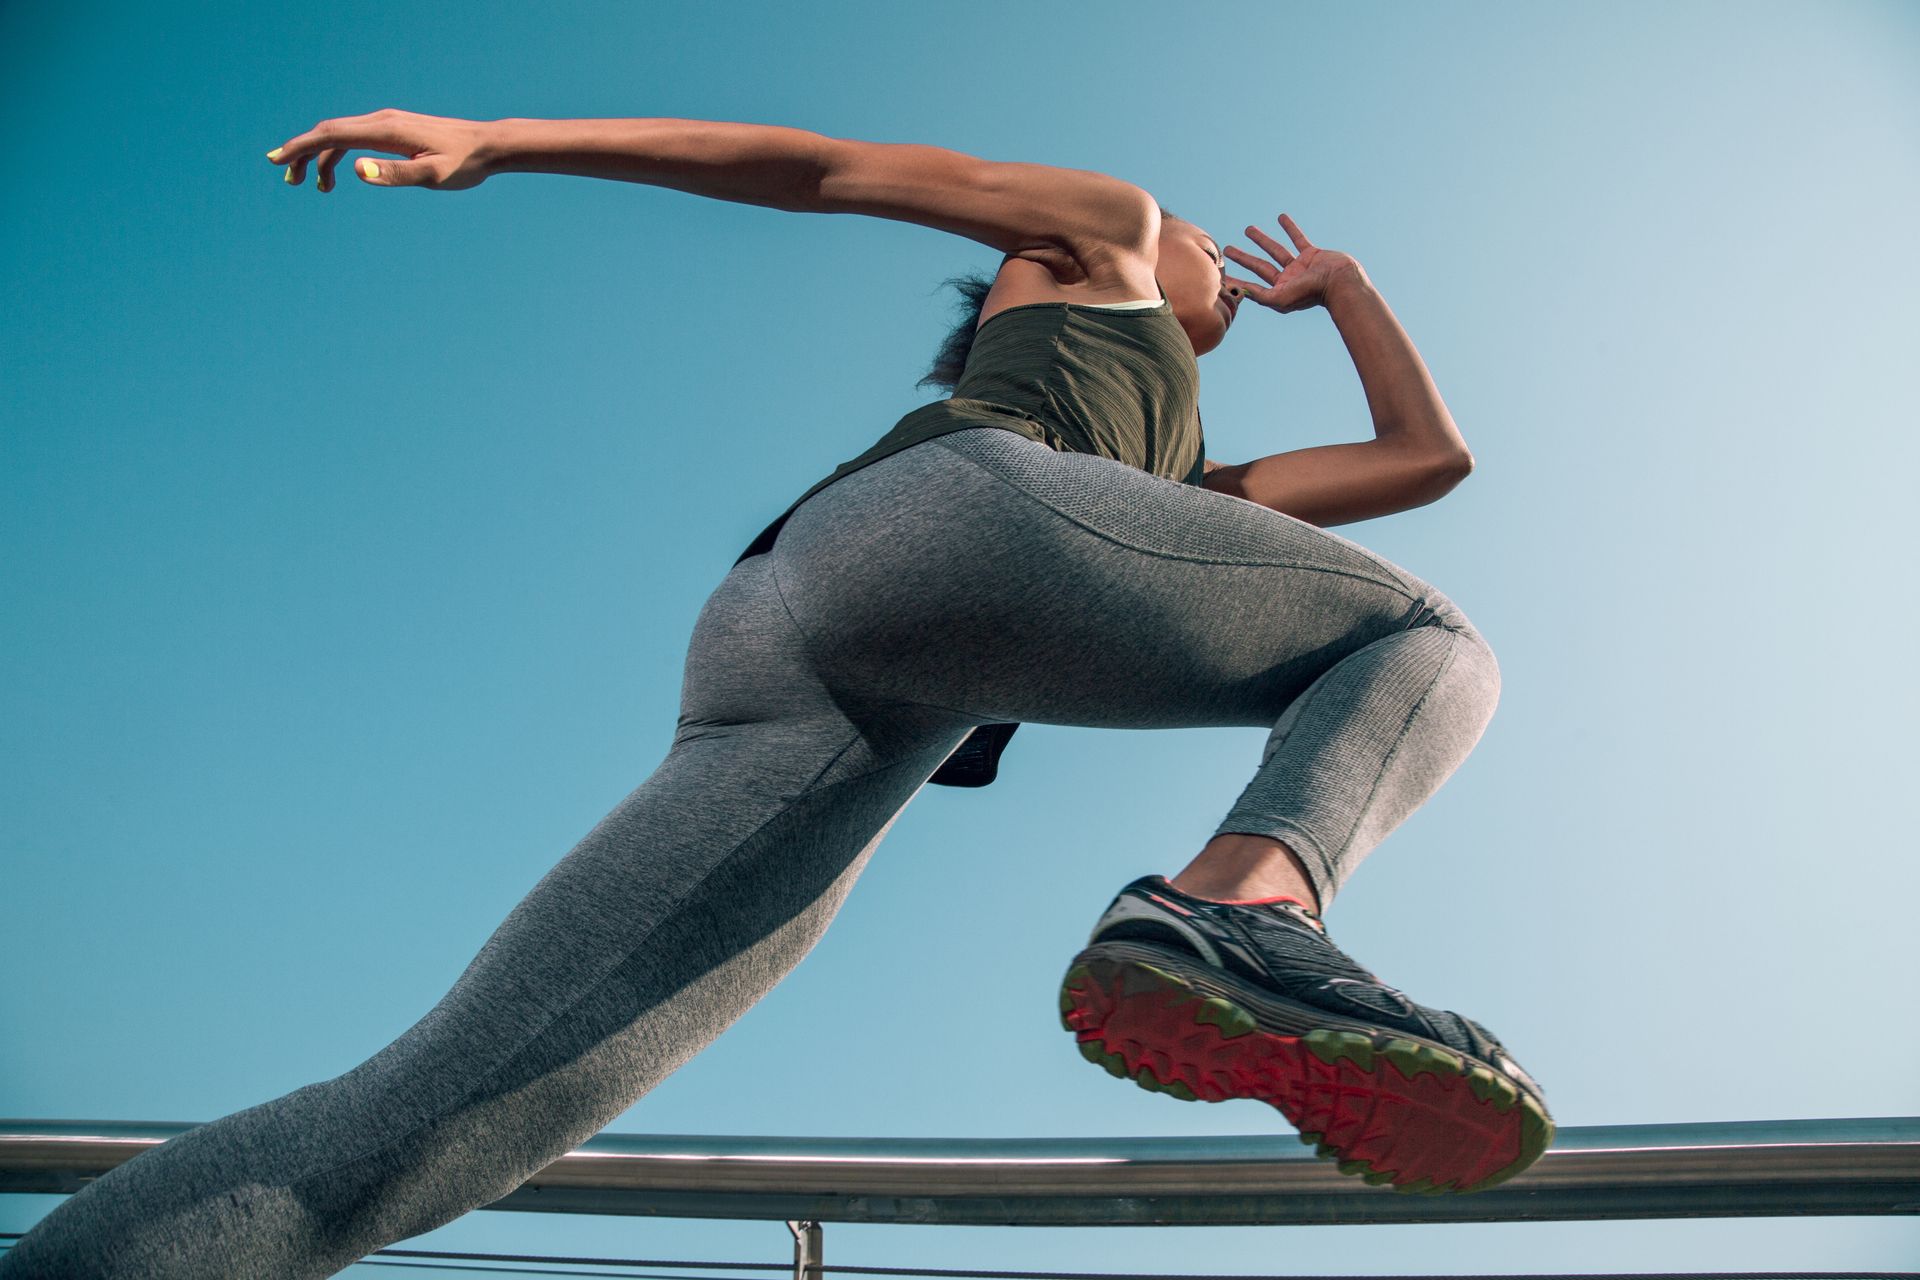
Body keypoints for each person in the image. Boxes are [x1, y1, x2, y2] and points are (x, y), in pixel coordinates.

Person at [0, 109, 1551, 1278]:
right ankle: (1240, 908)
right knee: (1433, 643)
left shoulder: (1177, 476)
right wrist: (500, 139)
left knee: (436, 1123)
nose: (1227, 266)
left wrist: (1352, 291)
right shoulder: (1110, 234)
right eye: (1222, 245)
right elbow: (825, 169)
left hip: (799, 653)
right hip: (953, 525)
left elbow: (1424, 460)